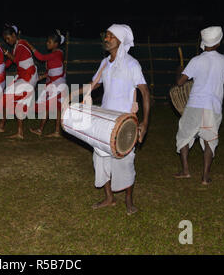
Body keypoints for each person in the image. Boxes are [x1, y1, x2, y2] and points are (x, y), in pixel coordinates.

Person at [71, 24, 150, 215]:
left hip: (125, 122)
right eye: (106, 35)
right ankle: (109, 198)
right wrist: (74, 93)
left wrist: (144, 122)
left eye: (111, 36)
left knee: (125, 162)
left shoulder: (132, 64)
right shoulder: (105, 63)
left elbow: (145, 93)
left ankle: (128, 201)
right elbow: (94, 84)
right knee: (100, 158)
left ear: (121, 40)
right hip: (104, 119)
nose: (106, 39)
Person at [175, 26, 224, 185]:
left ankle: (185, 171)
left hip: (195, 104)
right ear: (218, 43)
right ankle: (205, 176)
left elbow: (180, 82)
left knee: (184, 135)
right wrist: (221, 77)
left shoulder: (196, 60)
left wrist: (180, 70)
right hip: (213, 105)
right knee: (209, 139)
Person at [0, 25, 38, 139]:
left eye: (8, 38)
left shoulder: (21, 44)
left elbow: (16, 61)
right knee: (16, 101)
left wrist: (7, 53)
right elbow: (9, 62)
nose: (7, 41)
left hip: (28, 76)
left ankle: (5, 126)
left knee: (7, 97)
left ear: (14, 35)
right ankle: (17, 131)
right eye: (5, 40)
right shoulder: (17, 46)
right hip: (24, 76)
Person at [24, 30, 67, 138]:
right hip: (56, 83)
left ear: (56, 44)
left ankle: (44, 129)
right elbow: (51, 71)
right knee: (55, 107)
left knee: (49, 105)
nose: (47, 43)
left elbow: (41, 58)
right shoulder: (55, 54)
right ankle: (52, 130)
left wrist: (29, 45)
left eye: (50, 42)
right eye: (47, 41)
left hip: (57, 84)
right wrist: (41, 77)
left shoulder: (57, 53)